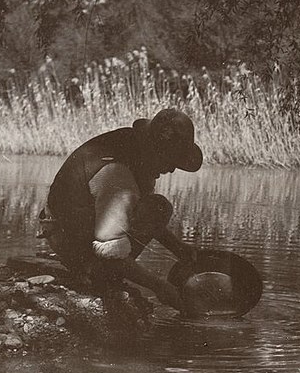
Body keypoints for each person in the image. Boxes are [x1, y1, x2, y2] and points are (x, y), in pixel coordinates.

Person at [39, 108, 203, 311]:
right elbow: (110, 250)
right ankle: (98, 273)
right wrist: (159, 286)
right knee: (156, 208)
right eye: (171, 160)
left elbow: (137, 213)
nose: (171, 169)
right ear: (156, 150)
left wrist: (179, 248)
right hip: (66, 238)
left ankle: (102, 272)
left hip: (73, 227)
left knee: (157, 208)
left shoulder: (135, 149)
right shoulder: (117, 177)